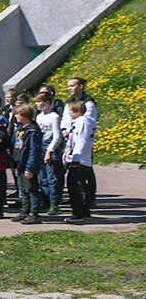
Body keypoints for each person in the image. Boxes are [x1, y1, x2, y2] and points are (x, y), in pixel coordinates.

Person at [62, 77, 98, 207]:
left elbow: (89, 121)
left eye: (72, 85)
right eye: (68, 86)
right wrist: (65, 129)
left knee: (85, 171)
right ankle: (79, 198)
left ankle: (88, 198)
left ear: (81, 86)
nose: (69, 88)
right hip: (72, 139)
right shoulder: (70, 102)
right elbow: (65, 118)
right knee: (76, 177)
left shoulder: (88, 102)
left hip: (82, 144)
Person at [10, 103, 44, 225]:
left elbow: (33, 151)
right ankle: (25, 211)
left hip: (28, 165)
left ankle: (34, 214)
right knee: (22, 189)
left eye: (18, 114)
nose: (16, 116)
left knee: (32, 190)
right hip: (19, 164)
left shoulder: (33, 131)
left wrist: (30, 168)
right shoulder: (20, 129)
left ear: (24, 115)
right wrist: (13, 163)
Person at [63, 99, 95, 224]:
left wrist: (75, 159)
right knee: (81, 186)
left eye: (71, 110)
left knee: (73, 185)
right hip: (80, 159)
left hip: (79, 160)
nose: (69, 113)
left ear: (78, 110)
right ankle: (84, 209)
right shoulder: (81, 121)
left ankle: (77, 213)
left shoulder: (82, 121)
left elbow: (81, 140)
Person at [35, 93, 64, 216]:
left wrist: (49, 150)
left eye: (39, 101)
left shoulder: (54, 117)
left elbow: (57, 136)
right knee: (43, 179)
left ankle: (54, 204)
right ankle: (45, 203)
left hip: (50, 148)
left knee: (52, 178)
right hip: (40, 147)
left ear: (47, 102)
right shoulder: (39, 117)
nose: (36, 104)